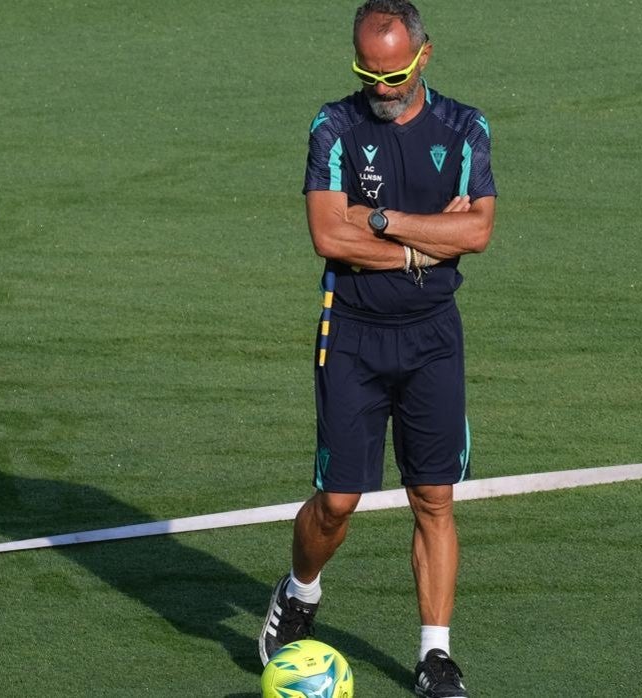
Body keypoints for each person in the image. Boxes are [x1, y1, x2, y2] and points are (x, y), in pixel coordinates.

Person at [258, 1, 496, 696]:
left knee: (434, 495)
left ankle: (434, 654)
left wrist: (385, 222)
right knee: (337, 500)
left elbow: (478, 232)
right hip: (353, 333)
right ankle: (301, 589)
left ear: (423, 55)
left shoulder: (464, 129)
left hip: (431, 338)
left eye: (393, 74)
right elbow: (330, 237)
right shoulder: (334, 125)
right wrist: (429, 245)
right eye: (368, 73)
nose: (382, 89)